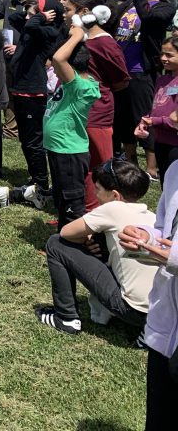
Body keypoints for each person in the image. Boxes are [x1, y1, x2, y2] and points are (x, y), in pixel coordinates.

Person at [37, 159, 154, 336]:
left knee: (55, 244)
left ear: (115, 196)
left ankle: (66, 317)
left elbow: (66, 232)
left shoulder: (113, 209)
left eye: (97, 189)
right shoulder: (151, 217)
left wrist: (85, 239)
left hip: (132, 311)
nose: (95, 195)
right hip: (158, 314)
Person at [119, 153, 178, 431]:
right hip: (164, 328)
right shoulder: (175, 170)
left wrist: (173, 255)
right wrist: (144, 237)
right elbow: (164, 232)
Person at [4, 0, 64, 209]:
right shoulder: (33, 25)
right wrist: (32, 13)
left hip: (33, 91)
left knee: (33, 141)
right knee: (27, 141)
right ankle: (36, 178)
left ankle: (42, 185)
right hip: (21, 89)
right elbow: (18, 19)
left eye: (35, 10)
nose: (29, 14)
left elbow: (30, 25)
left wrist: (38, 18)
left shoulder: (48, 32)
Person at [67, 0, 130, 213]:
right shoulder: (79, 38)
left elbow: (121, 80)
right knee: (79, 164)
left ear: (84, 12)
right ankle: (79, 210)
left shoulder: (104, 42)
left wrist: (95, 91)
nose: (65, 15)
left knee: (98, 165)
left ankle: (98, 213)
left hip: (96, 112)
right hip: (76, 110)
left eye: (68, 10)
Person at [112, 0, 175, 178]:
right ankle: (130, 161)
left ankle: (151, 166)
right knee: (122, 118)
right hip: (121, 70)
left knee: (144, 115)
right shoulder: (129, 4)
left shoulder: (165, 7)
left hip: (142, 70)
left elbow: (148, 17)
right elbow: (110, 22)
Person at [44, 22, 100, 228]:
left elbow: (59, 58)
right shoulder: (74, 84)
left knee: (72, 197)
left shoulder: (80, 86)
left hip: (69, 151)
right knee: (60, 192)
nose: (55, 70)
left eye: (59, 69)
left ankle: (71, 240)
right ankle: (64, 225)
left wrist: (77, 34)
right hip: (58, 148)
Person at [136, 36, 178, 183]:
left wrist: (153, 120)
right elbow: (156, 105)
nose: (163, 58)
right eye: (162, 54)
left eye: (169, 55)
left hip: (175, 144)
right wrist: (145, 120)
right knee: (165, 186)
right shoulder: (162, 79)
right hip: (161, 141)